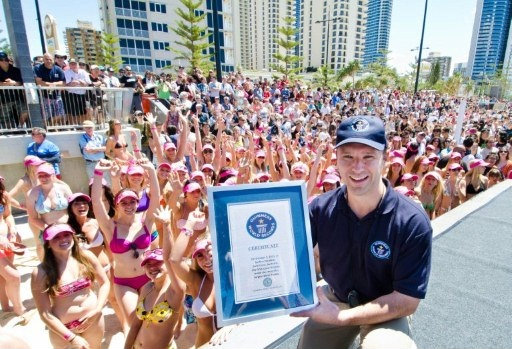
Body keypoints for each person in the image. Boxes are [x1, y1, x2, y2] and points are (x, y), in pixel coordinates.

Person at [295, 116, 432, 349]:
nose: (357, 167)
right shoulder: (319, 209)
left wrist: (342, 317)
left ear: (384, 159)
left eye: (368, 157)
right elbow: (287, 252)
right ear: (336, 159)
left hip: (386, 307)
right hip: (338, 295)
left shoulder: (412, 222)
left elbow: (407, 301)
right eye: (348, 156)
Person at [91, 158, 160, 335]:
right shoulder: (110, 227)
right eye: (124, 202)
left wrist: (151, 171)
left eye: (132, 202)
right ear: (117, 204)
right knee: (135, 324)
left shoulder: (145, 222)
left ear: (138, 203)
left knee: (151, 321)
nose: (129, 206)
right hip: (124, 283)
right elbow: (97, 204)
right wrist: (98, 174)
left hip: (147, 279)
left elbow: (156, 199)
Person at [31, 223, 109, 349]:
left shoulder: (86, 257)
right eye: (56, 237)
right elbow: (45, 313)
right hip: (64, 329)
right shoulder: (41, 272)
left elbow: (105, 283)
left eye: (66, 235)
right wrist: (71, 337)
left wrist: (98, 309)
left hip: (93, 319)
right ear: (48, 244)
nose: (63, 239)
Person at [124, 207, 185, 349]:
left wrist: (167, 225)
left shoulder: (174, 291)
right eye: (148, 264)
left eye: (157, 263)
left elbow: (171, 258)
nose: (152, 267)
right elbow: (135, 326)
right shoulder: (147, 288)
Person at [34, 53, 66, 123]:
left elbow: (63, 82)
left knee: (60, 115)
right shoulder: (38, 68)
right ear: (43, 60)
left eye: (50, 59)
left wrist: (54, 84)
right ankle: (47, 129)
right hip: (44, 97)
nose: (49, 61)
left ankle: (52, 127)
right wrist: (50, 85)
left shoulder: (58, 69)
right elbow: (39, 82)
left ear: (53, 60)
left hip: (57, 96)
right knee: (45, 116)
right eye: (46, 59)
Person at [0, 51, 29, 128]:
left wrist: (13, 83)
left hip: (18, 97)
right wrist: (6, 84)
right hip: (4, 99)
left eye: (6, 59)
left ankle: (20, 126)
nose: (4, 61)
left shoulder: (15, 70)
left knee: (25, 111)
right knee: (6, 118)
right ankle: (10, 132)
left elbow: (21, 82)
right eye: (1, 60)